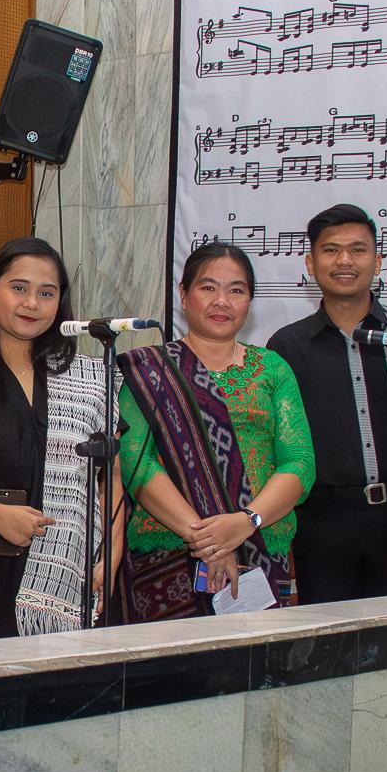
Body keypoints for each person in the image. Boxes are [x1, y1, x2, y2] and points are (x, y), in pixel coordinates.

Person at [0, 237, 122, 639]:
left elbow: (111, 477)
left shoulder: (89, 380)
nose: (32, 303)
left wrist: (112, 553)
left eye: (46, 293)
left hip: (69, 577)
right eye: (19, 288)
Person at [266, 203, 387, 603]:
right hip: (320, 526)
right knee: (326, 638)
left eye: (358, 249)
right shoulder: (286, 346)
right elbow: (279, 449)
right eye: (331, 250)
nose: (345, 261)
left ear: (378, 260)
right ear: (310, 263)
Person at [115, 243, 314, 620]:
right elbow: (134, 460)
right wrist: (207, 539)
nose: (221, 301)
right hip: (170, 556)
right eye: (208, 287)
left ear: (249, 301)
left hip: (261, 549)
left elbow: (299, 463)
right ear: (184, 294)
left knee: (260, 658)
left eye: (236, 290)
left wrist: (245, 522)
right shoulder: (150, 371)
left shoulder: (273, 369)